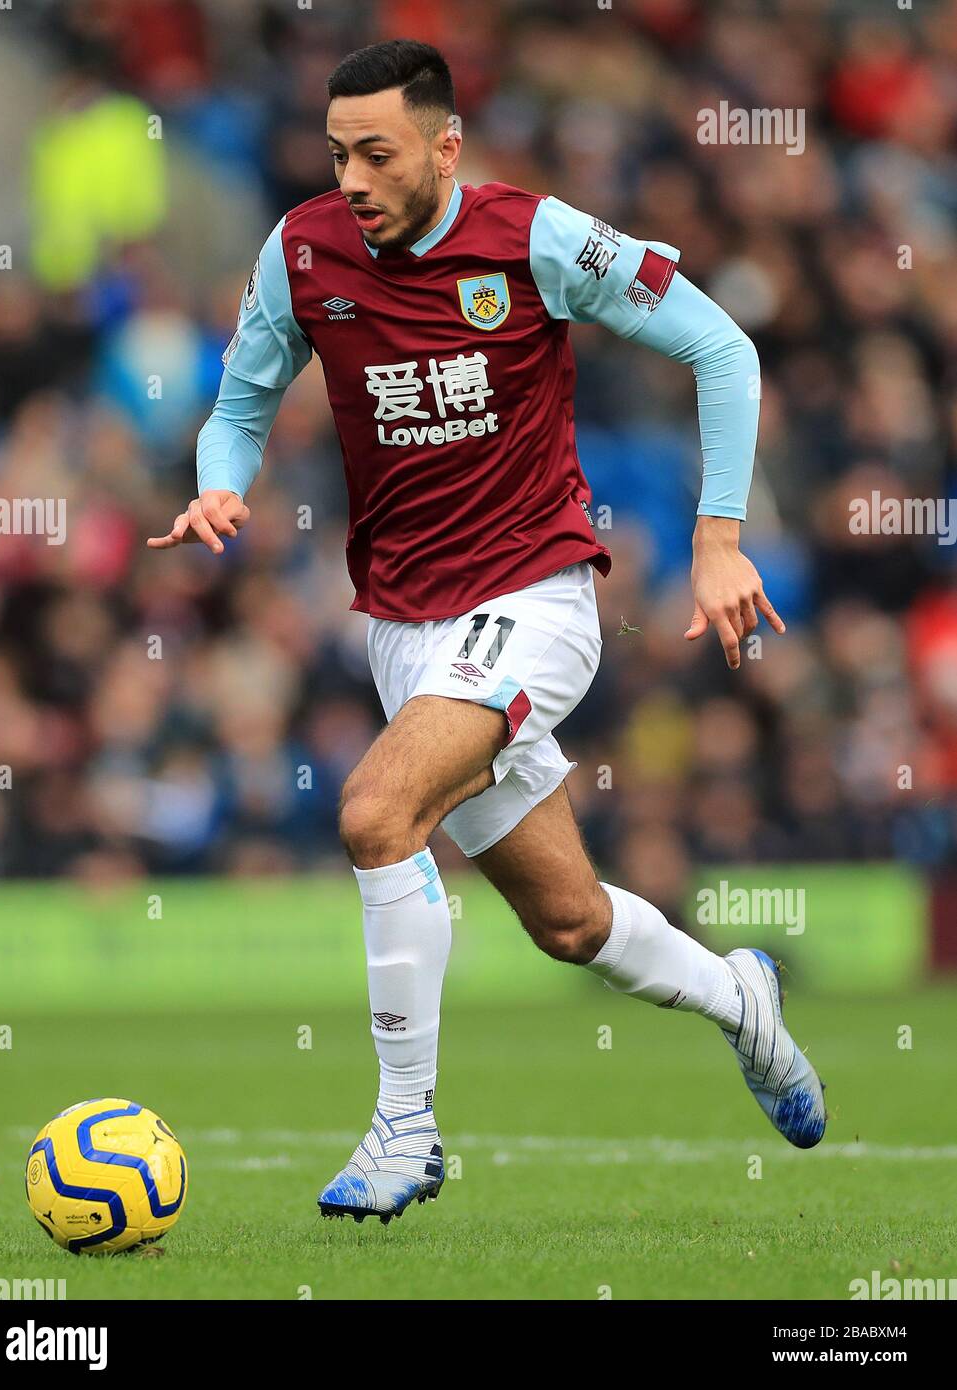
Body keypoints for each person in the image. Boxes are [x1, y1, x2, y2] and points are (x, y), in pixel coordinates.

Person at [149, 38, 826, 1225]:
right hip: (403, 630)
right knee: (568, 921)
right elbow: (242, 397)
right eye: (337, 153)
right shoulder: (302, 251)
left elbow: (722, 344)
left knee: (372, 812)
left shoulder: (534, 238)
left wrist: (717, 540)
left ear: (445, 145)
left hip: (534, 599)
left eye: (378, 152)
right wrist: (220, 480)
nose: (351, 178)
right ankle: (740, 999)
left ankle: (403, 1128)